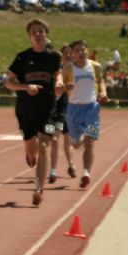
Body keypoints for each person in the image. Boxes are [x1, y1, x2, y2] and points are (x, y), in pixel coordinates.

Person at [4, 19, 64, 206]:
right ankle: (29, 154)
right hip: (26, 110)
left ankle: (39, 187)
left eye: (41, 31)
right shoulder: (22, 58)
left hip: (48, 110)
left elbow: (58, 74)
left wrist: (60, 82)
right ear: (30, 37)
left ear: (47, 35)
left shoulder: (55, 57)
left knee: (45, 145)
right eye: (34, 32)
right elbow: (9, 82)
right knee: (32, 148)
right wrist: (25, 87)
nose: (38, 34)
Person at [63, 40, 108, 189]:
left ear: (87, 51)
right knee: (76, 145)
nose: (80, 53)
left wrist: (103, 92)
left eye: (83, 50)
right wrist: (65, 86)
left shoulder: (95, 66)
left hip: (92, 108)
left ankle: (86, 173)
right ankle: (78, 138)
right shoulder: (68, 68)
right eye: (77, 50)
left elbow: (101, 81)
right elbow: (59, 85)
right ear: (73, 53)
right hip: (74, 109)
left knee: (90, 142)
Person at [48, 44, 76, 184]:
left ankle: (70, 165)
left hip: (67, 108)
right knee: (53, 138)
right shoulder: (59, 69)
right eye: (66, 53)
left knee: (66, 138)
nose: (69, 55)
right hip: (55, 108)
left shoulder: (72, 68)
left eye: (71, 53)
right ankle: (54, 169)